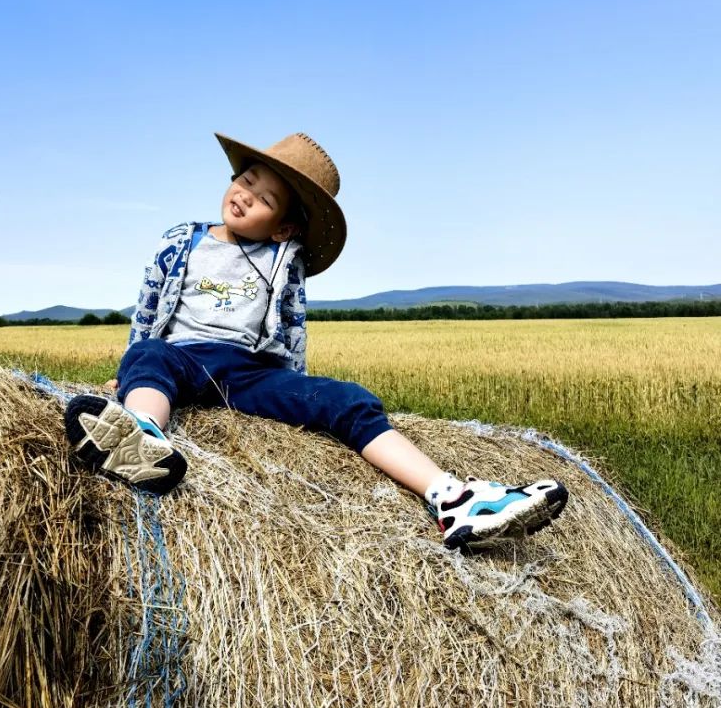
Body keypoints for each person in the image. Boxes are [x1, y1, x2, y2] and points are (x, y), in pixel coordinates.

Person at [64, 132, 568, 551]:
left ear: (284, 226)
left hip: (248, 371)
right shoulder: (183, 239)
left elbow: (292, 328)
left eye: (264, 198)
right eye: (245, 180)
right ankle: (142, 434)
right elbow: (149, 305)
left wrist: (297, 391)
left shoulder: (285, 259)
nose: (245, 194)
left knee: (343, 399)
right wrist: (129, 371)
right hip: (180, 357)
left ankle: (452, 498)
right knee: (148, 356)